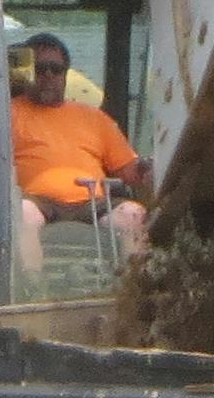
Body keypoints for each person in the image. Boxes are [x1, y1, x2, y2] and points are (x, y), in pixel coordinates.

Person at [9, 31, 150, 251]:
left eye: (56, 69)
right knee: (23, 213)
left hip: (94, 204)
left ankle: (134, 283)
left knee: (133, 214)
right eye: (40, 68)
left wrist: (146, 167)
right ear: (27, 72)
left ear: (65, 74)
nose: (48, 75)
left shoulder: (95, 118)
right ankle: (30, 283)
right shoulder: (5, 114)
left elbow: (131, 172)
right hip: (36, 202)